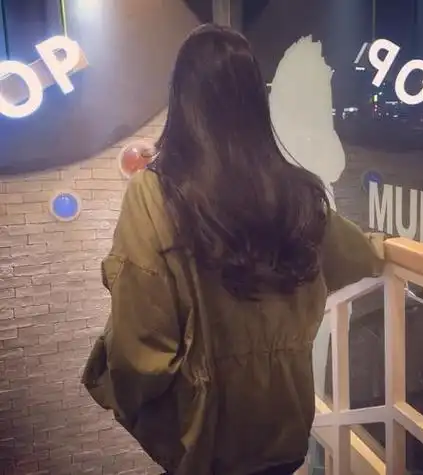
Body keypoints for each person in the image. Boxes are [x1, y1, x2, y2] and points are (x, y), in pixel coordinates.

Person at [82, 24, 385, 475]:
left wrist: (129, 398)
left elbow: (139, 349)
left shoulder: (156, 194)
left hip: (208, 440)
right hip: (285, 430)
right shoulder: (295, 192)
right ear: (255, 102)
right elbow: (353, 255)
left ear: (182, 101)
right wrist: (384, 246)